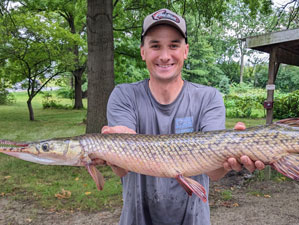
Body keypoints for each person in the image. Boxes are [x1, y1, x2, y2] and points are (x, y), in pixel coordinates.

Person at [101, 8, 265, 225]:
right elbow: (122, 169)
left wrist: (231, 158)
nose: (165, 55)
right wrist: (113, 151)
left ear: (186, 51)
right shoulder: (124, 95)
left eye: (174, 45)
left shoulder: (208, 97)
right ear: (143, 52)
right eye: (155, 45)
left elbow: (214, 174)